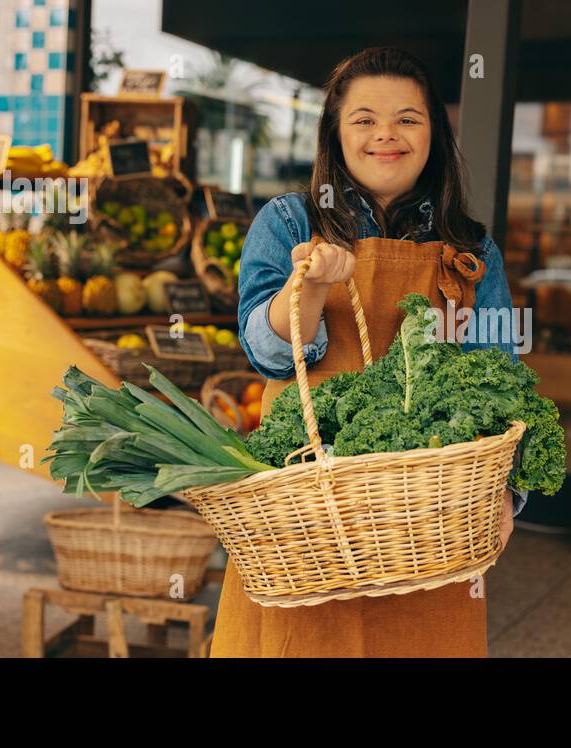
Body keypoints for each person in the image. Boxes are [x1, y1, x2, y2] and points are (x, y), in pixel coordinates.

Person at [211, 47, 526, 658]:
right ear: (335, 132)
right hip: (304, 502)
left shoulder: (470, 245)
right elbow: (267, 351)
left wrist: (502, 491)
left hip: (429, 513)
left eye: (408, 118)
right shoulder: (287, 223)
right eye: (364, 119)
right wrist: (309, 287)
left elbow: (500, 376)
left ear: (435, 132)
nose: (386, 133)